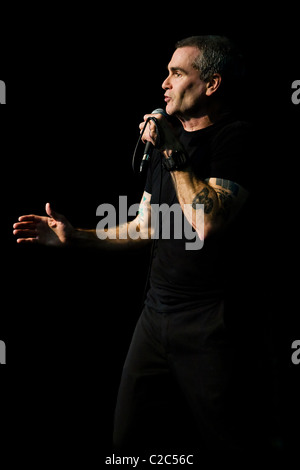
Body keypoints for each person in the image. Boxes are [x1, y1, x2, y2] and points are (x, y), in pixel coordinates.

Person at [13, 35, 267, 451]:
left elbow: (206, 222)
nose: (164, 83)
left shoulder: (236, 140)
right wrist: (75, 236)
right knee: (129, 441)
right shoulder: (171, 141)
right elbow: (147, 225)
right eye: (167, 72)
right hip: (155, 317)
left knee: (230, 444)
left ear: (212, 84)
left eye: (177, 72)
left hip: (213, 324)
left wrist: (172, 152)